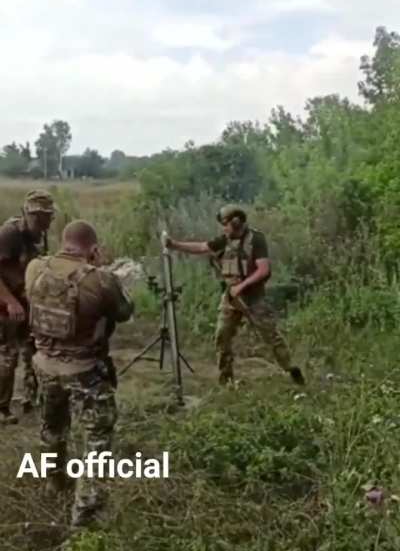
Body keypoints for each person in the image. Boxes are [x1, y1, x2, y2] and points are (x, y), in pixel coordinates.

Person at [25, 220, 134, 530]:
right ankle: (85, 518)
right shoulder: (100, 279)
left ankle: (54, 482)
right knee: (96, 441)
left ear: (63, 242)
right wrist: (109, 276)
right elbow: (124, 313)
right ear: (94, 249)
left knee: (52, 427)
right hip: (84, 370)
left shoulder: (36, 267)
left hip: (44, 364)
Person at [167, 204, 305, 386]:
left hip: (253, 298)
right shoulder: (226, 239)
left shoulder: (256, 239)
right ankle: (226, 380)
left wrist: (242, 286)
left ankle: (292, 371)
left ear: (236, 222)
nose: (223, 228)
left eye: (226, 224)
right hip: (231, 298)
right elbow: (202, 247)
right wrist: (174, 245)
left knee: (271, 336)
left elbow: (263, 270)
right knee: (221, 335)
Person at [0, 189, 56, 425]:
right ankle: (1, 407)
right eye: (37, 216)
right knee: (6, 355)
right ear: (26, 213)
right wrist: (10, 301)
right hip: (6, 302)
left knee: (33, 349)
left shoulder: (39, 235)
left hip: (27, 300)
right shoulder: (9, 234)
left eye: (46, 216)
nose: (42, 220)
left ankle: (31, 399)